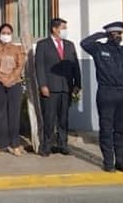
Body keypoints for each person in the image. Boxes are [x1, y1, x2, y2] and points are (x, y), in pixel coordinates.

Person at [81, 22, 123, 173]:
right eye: (114, 34)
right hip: (106, 93)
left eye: (120, 34)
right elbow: (84, 43)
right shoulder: (99, 49)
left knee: (121, 130)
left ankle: (120, 161)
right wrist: (102, 35)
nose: (118, 36)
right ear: (109, 35)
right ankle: (108, 162)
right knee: (106, 129)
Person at [34, 18, 81, 156]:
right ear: (54, 29)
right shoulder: (43, 45)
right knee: (49, 118)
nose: (65, 31)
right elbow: (39, 66)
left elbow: (75, 66)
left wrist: (77, 84)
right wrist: (42, 85)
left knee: (63, 118)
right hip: (50, 88)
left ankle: (62, 144)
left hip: (66, 87)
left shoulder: (70, 45)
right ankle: (46, 146)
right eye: (63, 28)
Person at [0, 23, 27, 157]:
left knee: (14, 115)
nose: (6, 35)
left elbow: (20, 66)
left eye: (8, 33)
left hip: (15, 84)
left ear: (12, 35)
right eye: (4, 32)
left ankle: (14, 145)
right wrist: (2, 79)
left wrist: (11, 79)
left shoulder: (18, 49)